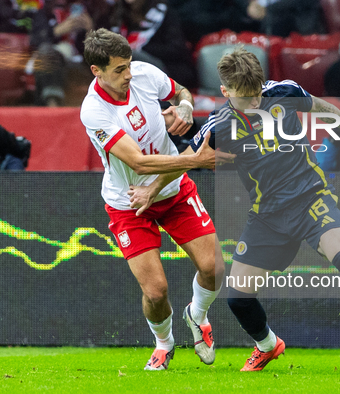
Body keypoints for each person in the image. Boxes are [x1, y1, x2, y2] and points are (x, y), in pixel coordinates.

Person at [174, 47, 340, 371]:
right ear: (226, 93)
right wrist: (150, 188)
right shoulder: (221, 124)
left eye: (258, 93)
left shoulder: (283, 91)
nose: (256, 102)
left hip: (311, 198)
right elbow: (184, 160)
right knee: (238, 298)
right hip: (268, 215)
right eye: (247, 98)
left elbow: (322, 107)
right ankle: (268, 345)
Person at [79, 28, 229, 371]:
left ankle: (198, 316)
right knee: (157, 291)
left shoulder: (145, 74)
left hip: (172, 190)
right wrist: (195, 159)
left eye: (129, 64)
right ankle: (164, 344)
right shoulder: (94, 112)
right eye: (119, 70)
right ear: (96, 71)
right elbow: (138, 162)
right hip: (128, 202)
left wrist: (186, 108)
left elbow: (181, 92)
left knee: (214, 268)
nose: (129, 74)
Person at [111, 0, 197, 89]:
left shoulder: (162, 12)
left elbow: (176, 49)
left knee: (129, 56)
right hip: (134, 72)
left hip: (168, 68)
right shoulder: (118, 12)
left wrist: (142, 48)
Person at [29, 0, 95, 106]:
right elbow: (35, 42)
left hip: (80, 65)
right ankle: (53, 107)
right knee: (46, 53)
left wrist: (90, 30)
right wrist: (56, 31)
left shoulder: (89, 11)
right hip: (53, 62)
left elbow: (101, 51)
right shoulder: (43, 13)